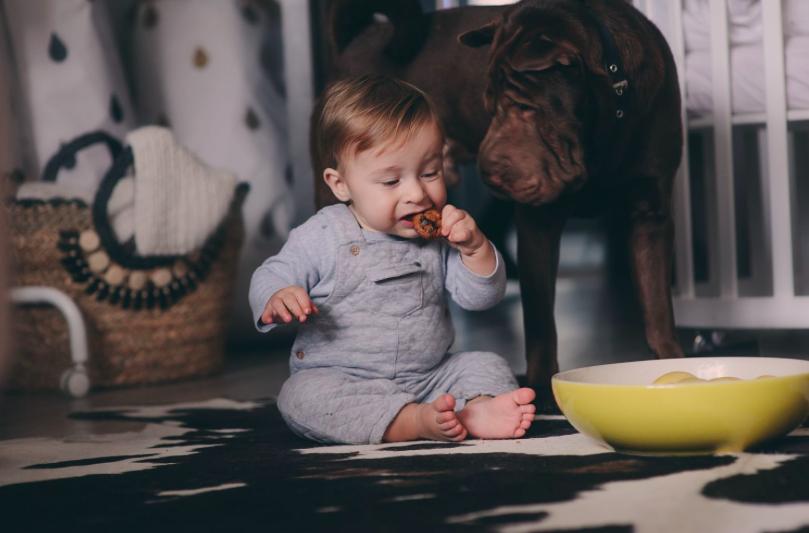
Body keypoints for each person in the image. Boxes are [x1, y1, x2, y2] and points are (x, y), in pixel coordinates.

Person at [249, 75, 535, 444]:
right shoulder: (323, 234)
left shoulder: (440, 234)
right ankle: (411, 422)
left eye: (429, 172)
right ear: (341, 185)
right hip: (344, 378)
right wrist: (278, 294)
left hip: (431, 377)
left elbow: (480, 298)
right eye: (391, 182)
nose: (417, 193)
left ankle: (473, 409)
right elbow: (272, 272)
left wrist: (475, 249)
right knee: (300, 396)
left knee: (484, 364)